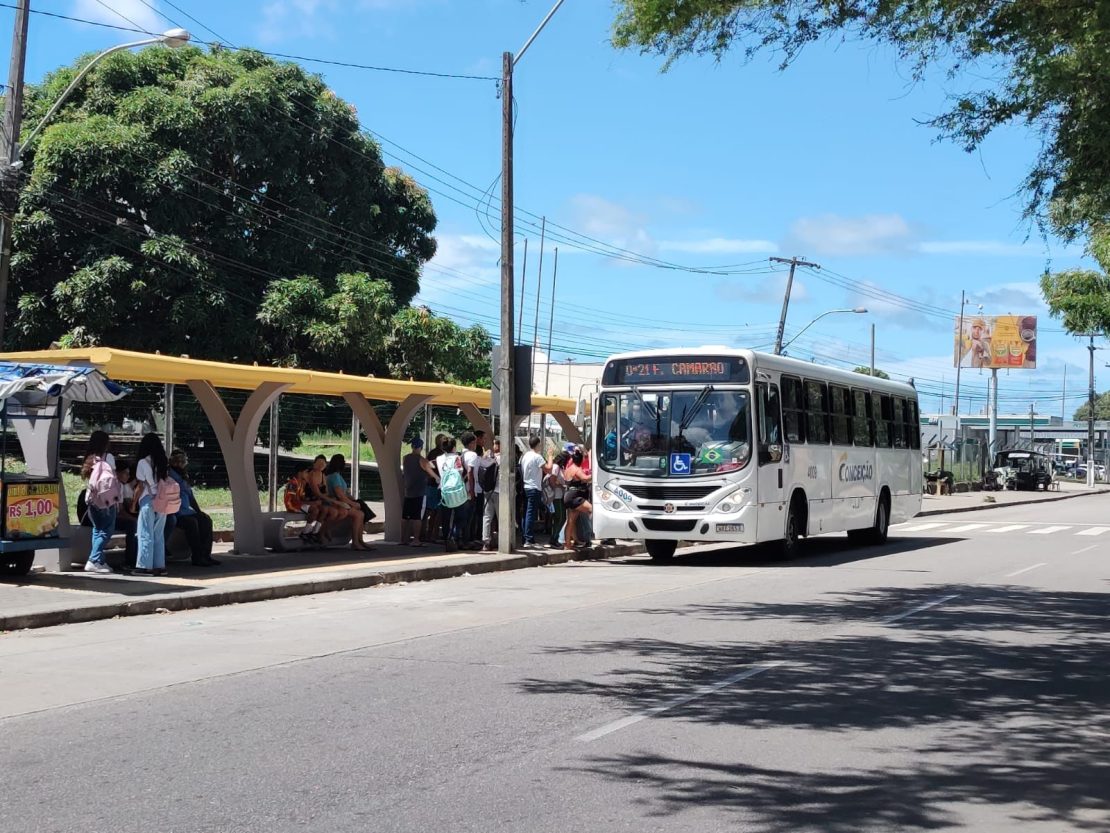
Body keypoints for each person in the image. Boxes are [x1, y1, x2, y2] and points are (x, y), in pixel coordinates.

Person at [165, 449, 219, 567]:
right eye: (177, 461)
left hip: (186, 511)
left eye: (182, 461)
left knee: (205, 519)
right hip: (175, 513)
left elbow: (190, 496)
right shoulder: (168, 476)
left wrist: (199, 511)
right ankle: (197, 556)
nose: (180, 464)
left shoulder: (184, 477)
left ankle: (206, 555)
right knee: (192, 523)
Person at [80, 430, 120, 574]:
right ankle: (93, 560)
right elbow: (112, 479)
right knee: (106, 531)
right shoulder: (108, 457)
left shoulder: (89, 458)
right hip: (106, 500)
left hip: (91, 499)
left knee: (97, 530)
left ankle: (100, 561)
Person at [131, 433, 170, 576]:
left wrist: (134, 503)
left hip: (148, 500)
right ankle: (159, 566)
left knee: (145, 533)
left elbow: (140, 486)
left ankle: (144, 566)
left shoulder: (143, 462)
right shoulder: (163, 461)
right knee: (158, 534)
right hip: (162, 500)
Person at [325, 454, 372, 551]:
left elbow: (344, 493)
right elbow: (340, 495)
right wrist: (353, 503)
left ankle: (359, 541)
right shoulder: (335, 476)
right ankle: (356, 541)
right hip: (337, 504)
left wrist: (352, 501)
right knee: (359, 515)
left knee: (361, 513)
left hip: (338, 503)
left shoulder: (332, 475)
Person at [402, 438, 438, 546]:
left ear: (412, 446)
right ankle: (416, 539)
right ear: (421, 448)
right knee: (417, 516)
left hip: (408, 491)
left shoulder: (405, 458)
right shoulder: (421, 459)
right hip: (420, 491)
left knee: (405, 517)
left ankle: (403, 539)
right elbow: (431, 468)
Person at [285, 462, 327, 545]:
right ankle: (305, 533)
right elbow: (294, 501)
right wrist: (312, 503)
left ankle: (315, 532)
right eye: (306, 472)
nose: (308, 474)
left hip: (299, 504)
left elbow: (302, 498)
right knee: (314, 510)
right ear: (300, 473)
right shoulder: (293, 483)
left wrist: (313, 500)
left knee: (324, 509)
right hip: (293, 506)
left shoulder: (301, 482)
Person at [519, 434, 545, 548]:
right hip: (534, 487)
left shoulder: (525, 456)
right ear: (538, 444)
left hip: (525, 487)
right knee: (530, 514)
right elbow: (548, 469)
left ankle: (526, 537)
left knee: (526, 513)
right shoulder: (537, 457)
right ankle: (528, 539)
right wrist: (549, 456)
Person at [564, 447, 593, 550]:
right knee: (592, 510)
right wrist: (595, 474)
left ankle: (567, 544)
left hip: (569, 495)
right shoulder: (576, 469)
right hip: (575, 497)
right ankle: (592, 534)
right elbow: (585, 478)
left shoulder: (568, 469)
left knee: (571, 522)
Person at [115, 459, 139, 570]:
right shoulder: (116, 486)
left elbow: (120, 510)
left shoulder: (120, 486)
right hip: (107, 517)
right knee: (132, 525)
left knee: (133, 524)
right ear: (118, 473)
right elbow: (120, 512)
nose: (128, 476)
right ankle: (130, 561)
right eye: (126, 473)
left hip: (113, 516)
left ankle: (133, 559)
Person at [423, 434, 447, 543]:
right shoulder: (441, 454)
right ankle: (433, 535)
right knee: (437, 512)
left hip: (431, 484)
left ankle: (426, 534)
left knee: (429, 511)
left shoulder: (432, 452)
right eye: (444, 440)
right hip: (437, 485)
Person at [545, 450, 568, 550]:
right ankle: (554, 539)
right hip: (556, 497)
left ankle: (555, 538)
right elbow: (552, 482)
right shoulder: (556, 467)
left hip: (559, 496)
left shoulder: (558, 467)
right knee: (561, 518)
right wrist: (562, 485)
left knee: (558, 518)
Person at [481, 439, 501, 551]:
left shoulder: (487, 458)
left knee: (487, 517)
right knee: (501, 518)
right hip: (498, 491)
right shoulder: (503, 458)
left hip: (487, 491)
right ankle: (502, 541)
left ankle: (486, 542)